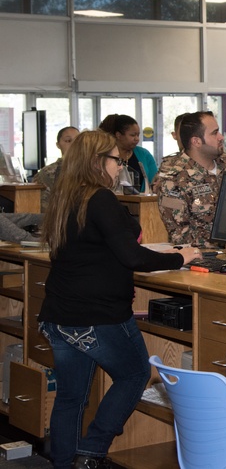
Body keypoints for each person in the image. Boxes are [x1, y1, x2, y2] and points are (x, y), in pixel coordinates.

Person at [37, 130, 200, 469]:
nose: (120, 166)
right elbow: (133, 257)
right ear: (98, 162)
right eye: (116, 160)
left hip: (60, 314)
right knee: (135, 374)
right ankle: (92, 451)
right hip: (96, 316)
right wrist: (179, 258)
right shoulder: (100, 199)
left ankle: (67, 463)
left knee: (70, 398)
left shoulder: (67, 198)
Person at [152, 111, 226, 248]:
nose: (221, 137)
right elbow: (181, 236)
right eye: (214, 133)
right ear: (196, 141)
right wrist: (223, 244)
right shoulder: (174, 180)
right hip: (203, 258)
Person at [98, 115, 157, 194]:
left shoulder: (144, 154)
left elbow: (154, 180)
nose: (137, 139)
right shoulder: (106, 154)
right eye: (132, 135)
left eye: (138, 135)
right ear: (118, 135)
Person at [33, 125, 79, 211]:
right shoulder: (46, 173)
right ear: (58, 145)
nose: (73, 144)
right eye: (68, 141)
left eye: (77, 141)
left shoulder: (92, 168)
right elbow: (42, 208)